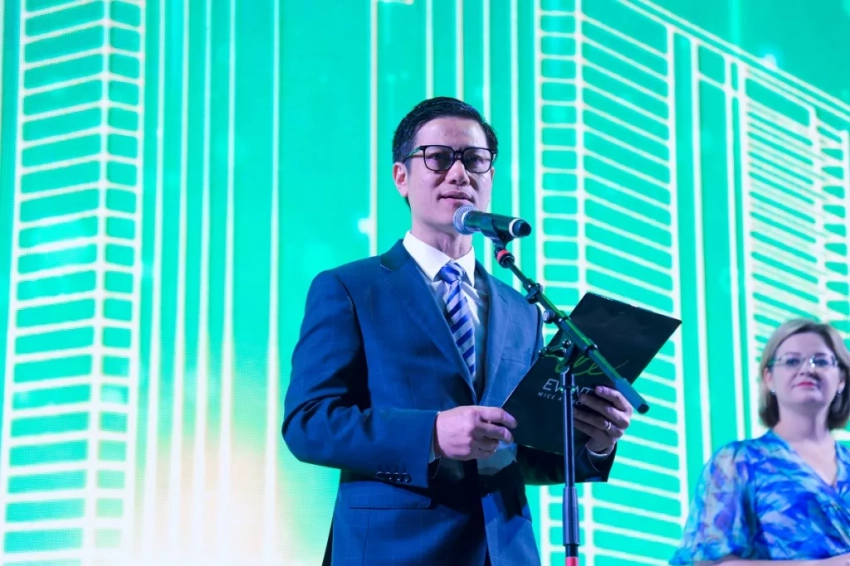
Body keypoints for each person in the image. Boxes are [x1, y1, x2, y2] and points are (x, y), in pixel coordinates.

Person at [282, 96, 634, 566]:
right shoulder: (350, 288)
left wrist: (595, 441)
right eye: (439, 157)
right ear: (401, 177)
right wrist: (430, 434)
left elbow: (519, 451)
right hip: (393, 551)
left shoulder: (523, 310)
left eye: (474, 159)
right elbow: (308, 423)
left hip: (505, 553)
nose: (459, 173)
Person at [670, 318, 850, 565]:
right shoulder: (739, 461)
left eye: (821, 361)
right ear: (769, 377)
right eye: (792, 361)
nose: (807, 369)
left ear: (841, 378)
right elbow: (706, 562)